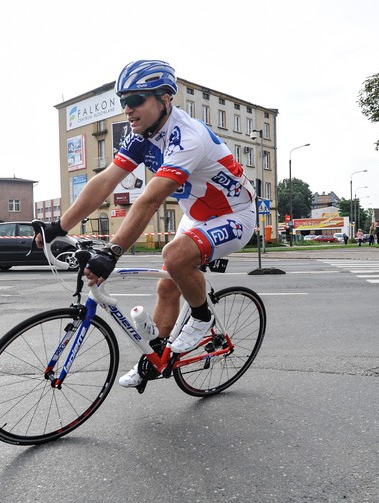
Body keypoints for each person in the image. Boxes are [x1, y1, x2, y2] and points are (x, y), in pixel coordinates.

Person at [37, 60, 256, 388]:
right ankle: (156, 359)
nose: (127, 108)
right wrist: (59, 227)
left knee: (175, 255)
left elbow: (150, 199)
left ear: (165, 99)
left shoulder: (188, 137)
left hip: (235, 214)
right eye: (123, 101)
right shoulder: (141, 133)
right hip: (198, 215)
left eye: (136, 99)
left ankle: (202, 316)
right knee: (167, 284)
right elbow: (106, 181)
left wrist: (112, 252)